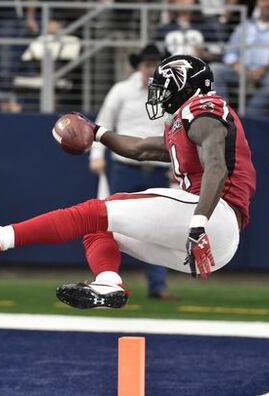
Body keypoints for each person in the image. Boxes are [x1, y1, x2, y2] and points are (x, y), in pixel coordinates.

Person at [0, 55, 256, 309]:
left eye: (167, 84)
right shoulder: (186, 123)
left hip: (212, 215)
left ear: (186, 86)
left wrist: (199, 224)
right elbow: (141, 149)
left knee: (95, 210)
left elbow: (216, 167)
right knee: (98, 227)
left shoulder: (204, 108)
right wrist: (98, 131)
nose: (160, 91)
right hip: (218, 244)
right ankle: (107, 282)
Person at [89, 44, 177, 301]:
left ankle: (158, 285)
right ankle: (107, 281)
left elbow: (176, 129)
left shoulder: (171, 92)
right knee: (111, 223)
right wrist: (96, 155)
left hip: (158, 169)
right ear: (138, 66)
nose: (150, 69)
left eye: (155, 64)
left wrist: (177, 166)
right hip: (125, 168)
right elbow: (103, 123)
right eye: (147, 64)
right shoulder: (121, 91)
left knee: (159, 228)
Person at [211, 0, 269, 116]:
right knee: (215, 70)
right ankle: (224, 114)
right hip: (242, 73)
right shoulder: (245, 26)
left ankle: (246, 116)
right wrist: (236, 65)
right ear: (258, 3)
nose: (267, 4)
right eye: (264, 1)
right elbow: (230, 52)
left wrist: (265, 69)